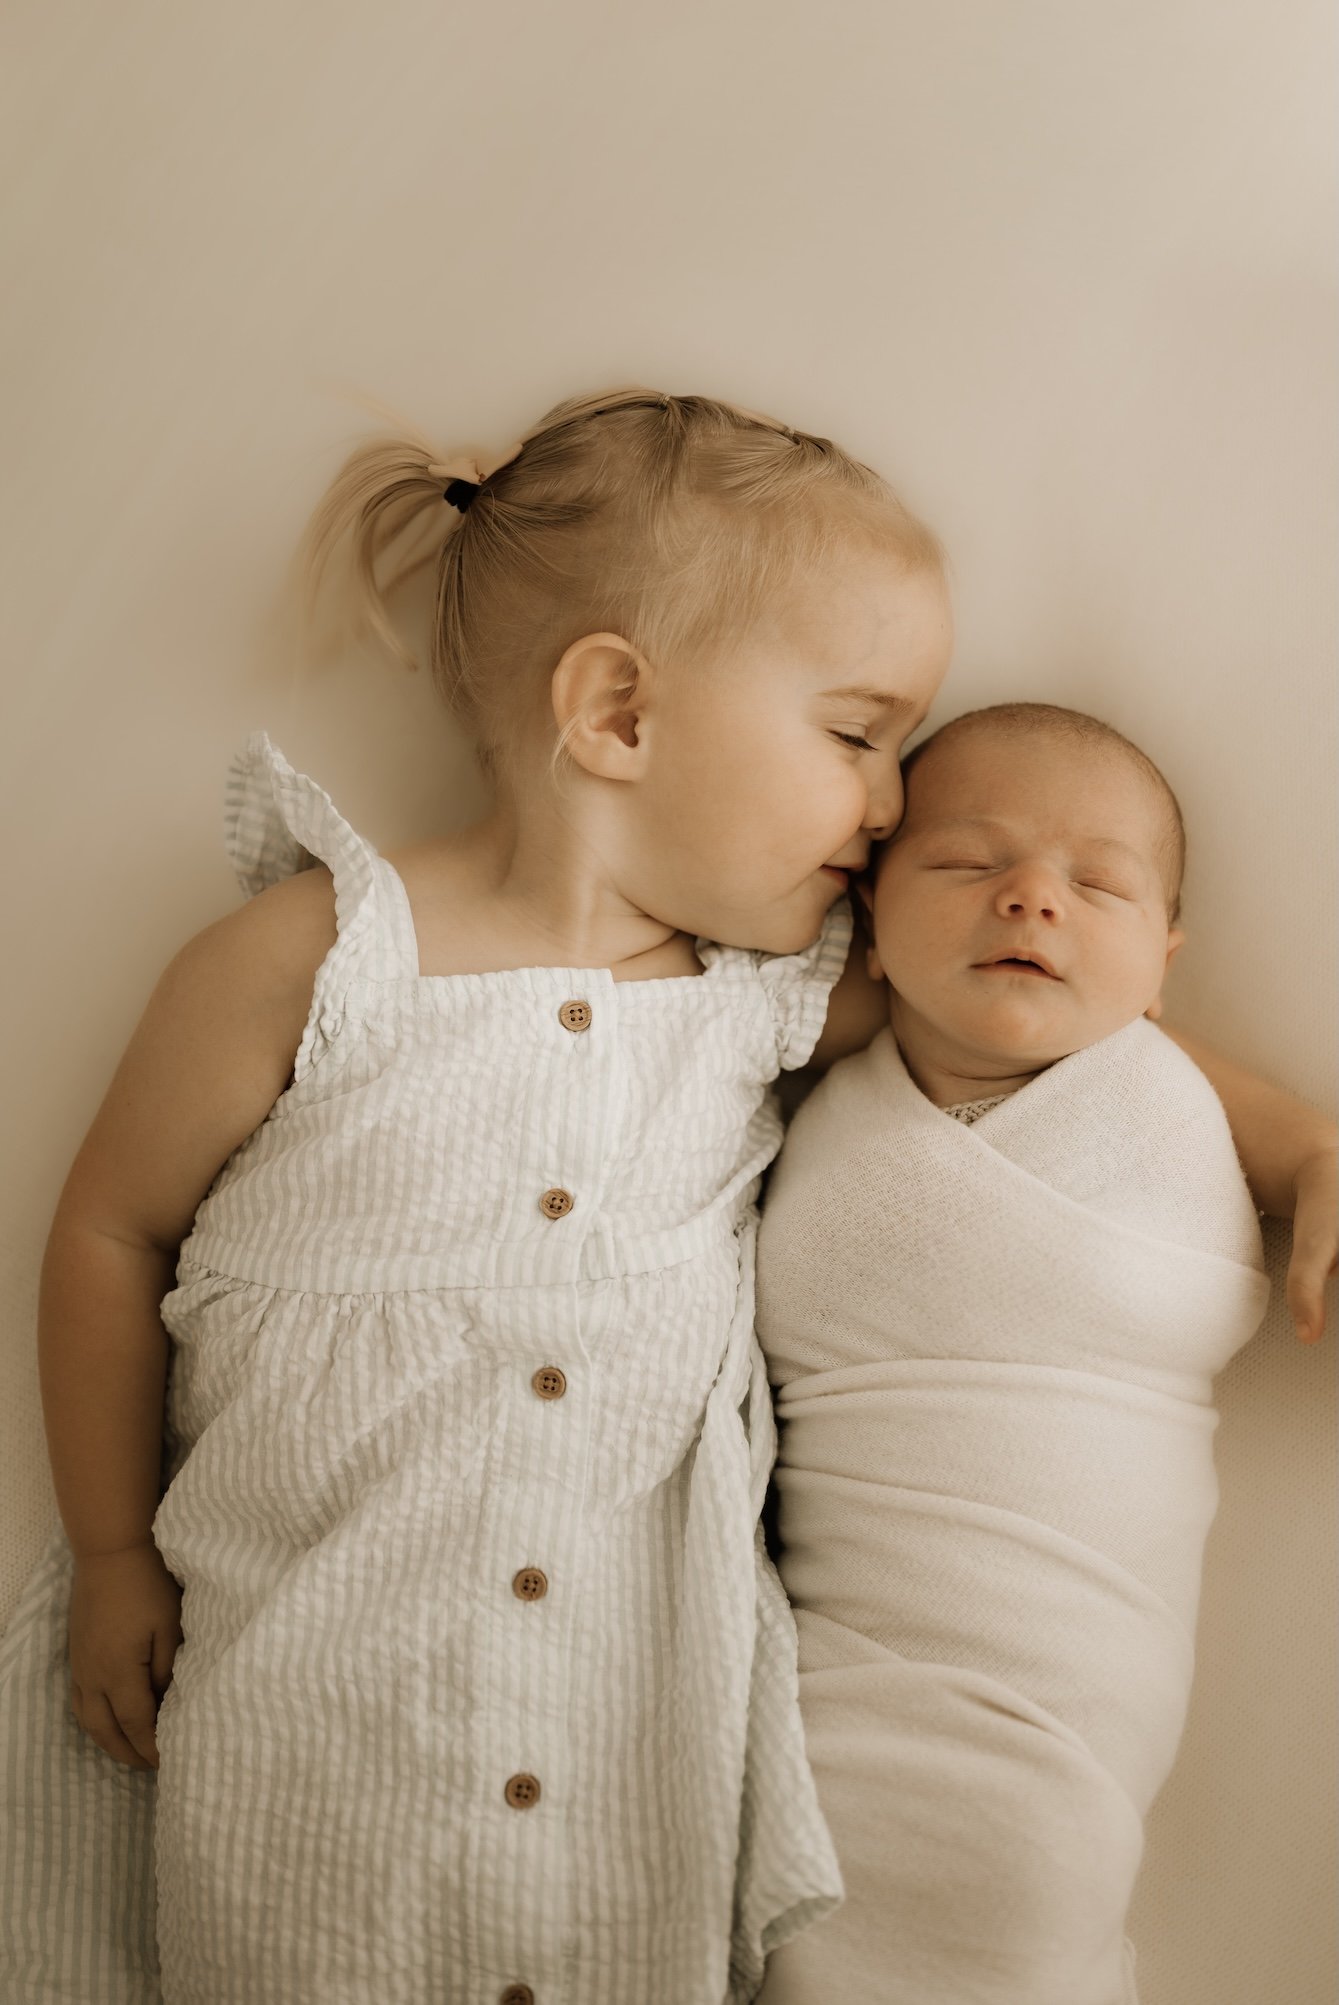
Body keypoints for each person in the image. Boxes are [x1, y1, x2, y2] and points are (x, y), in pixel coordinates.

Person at [0, 391, 1330, 2005]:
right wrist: (111, 1547)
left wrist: (1304, 1153)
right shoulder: (320, 955)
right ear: (617, 711)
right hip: (316, 1685)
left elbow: (1071, 1014)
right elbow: (110, 1228)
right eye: (856, 734)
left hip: (626, 1754)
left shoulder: (765, 1000)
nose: (896, 802)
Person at [753, 702, 1335, 2005]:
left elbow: (1289, 1145)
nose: (1029, 898)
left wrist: (1314, 1155)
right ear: (872, 915)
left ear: (1162, 960)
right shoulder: (807, 1075)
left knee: (1016, 1881)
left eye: (1098, 881)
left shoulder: (1162, 1090)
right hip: (819, 1690)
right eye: (967, 863)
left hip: (1054, 1705)